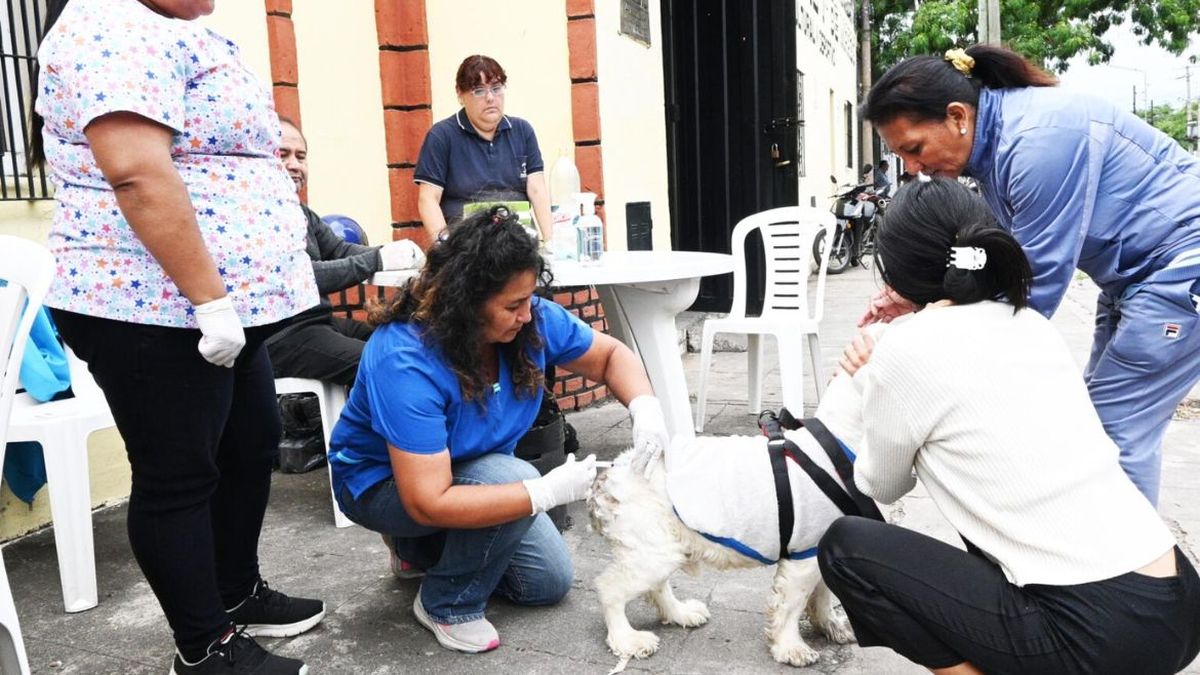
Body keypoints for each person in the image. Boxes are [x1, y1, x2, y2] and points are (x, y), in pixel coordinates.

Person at [30, 1, 324, 673]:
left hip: (217, 306)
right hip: (150, 304)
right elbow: (136, 170)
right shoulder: (107, 24)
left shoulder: (171, 27)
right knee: (179, 474)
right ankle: (204, 647)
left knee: (250, 442)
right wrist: (210, 301)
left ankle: (236, 591)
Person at [821, 177, 1200, 675]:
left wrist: (869, 378)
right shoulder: (1029, 322)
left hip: (1098, 632)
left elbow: (881, 485)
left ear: (894, 269)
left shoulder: (904, 349)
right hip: (1177, 601)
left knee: (846, 548)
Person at [854, 44, 1200, 505]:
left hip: (1180, 269)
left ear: (957, 116)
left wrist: (937, 342)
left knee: (1116, 430)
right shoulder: (996, 151)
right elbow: (998, 256)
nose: (914, 169)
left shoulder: (1039, 142)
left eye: (914, 150)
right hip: (1132, 279)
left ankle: (1130, 552)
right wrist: (913, 294)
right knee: (1098, 423)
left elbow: (1034, 282)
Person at [328, 206, 669, 654]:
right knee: (516, 479)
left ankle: (418, 550)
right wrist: (543, 493)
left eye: (529, 299)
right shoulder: (404, 357)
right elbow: (427, 499)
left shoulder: (529, 321)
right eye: (512, 305)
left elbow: (610, 357)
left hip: (468, 470)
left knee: (547, 582)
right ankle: (447, 603)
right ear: (466, 301)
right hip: (384, 485)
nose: (527, 314)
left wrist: (646, 409)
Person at [265, 117, 425, 386]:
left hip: (318, 322)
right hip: (283, 334)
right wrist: (378, 259)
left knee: (407, 342)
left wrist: (396, 253)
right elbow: (302, 274)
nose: (294, 164)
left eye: (301, 157)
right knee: (391, 364)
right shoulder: (255, 216)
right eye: (283, 155)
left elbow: (339, 249)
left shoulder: (300, 212)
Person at [414, 55, 553, 241]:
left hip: (519, 243)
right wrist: (445, 248)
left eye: (496, 88)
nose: (490, 98)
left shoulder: (523, 131)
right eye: (479, 91)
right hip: (467, 246)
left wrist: (551, 242)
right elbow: (428, 199)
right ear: (460, 94)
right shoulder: (441, 136)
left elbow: (537, 190)